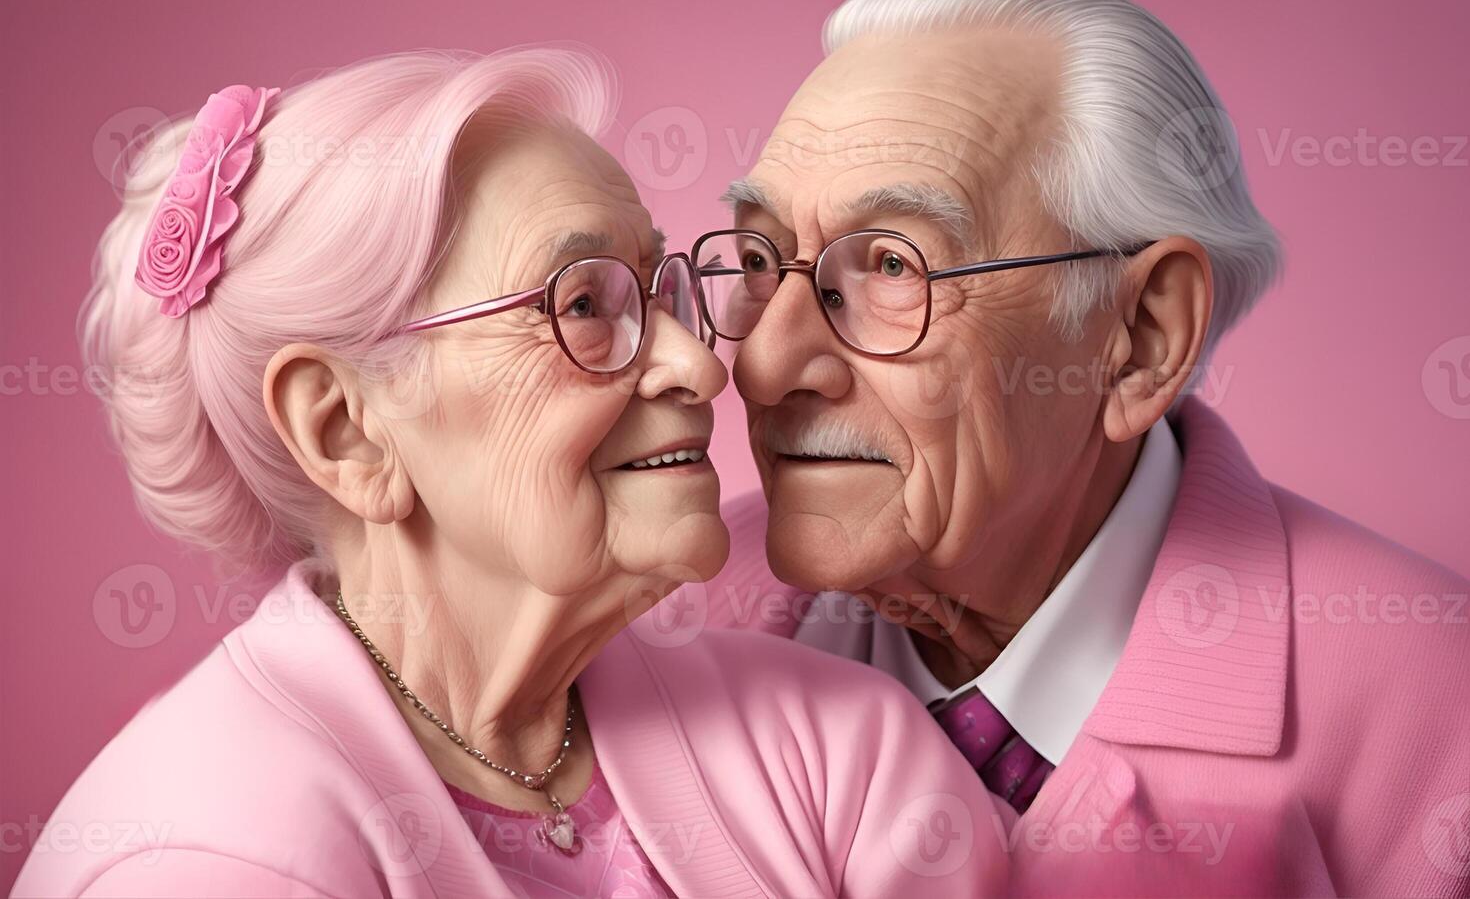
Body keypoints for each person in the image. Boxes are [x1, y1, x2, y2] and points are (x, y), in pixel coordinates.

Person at [15, 49, 1007, 897]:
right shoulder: (209, 855)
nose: (701, 365)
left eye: (661, 290)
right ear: (345, 430)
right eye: (583, 305)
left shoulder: (839, 750)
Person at [689, 0, 1470, 895]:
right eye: (758, 259)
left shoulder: (1437, 707)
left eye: (893, 267)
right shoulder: (651, 618)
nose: (764, 365)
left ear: (1140, 339)